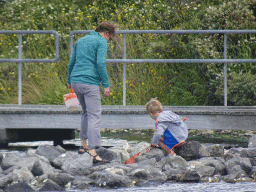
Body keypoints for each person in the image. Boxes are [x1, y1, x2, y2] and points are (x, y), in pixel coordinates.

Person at [67, 22, 115, 163]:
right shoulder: (101, 41)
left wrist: (70, 79)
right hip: (89, 82)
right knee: (94, 115)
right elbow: (100, 63)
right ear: (107, 33)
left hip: (76, 81)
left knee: (86, 112)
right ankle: (93, 150)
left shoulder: (80, 41)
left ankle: (83, 145)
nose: (108, 41)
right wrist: (105, 84)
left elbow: (71, 63)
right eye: (110, 38)